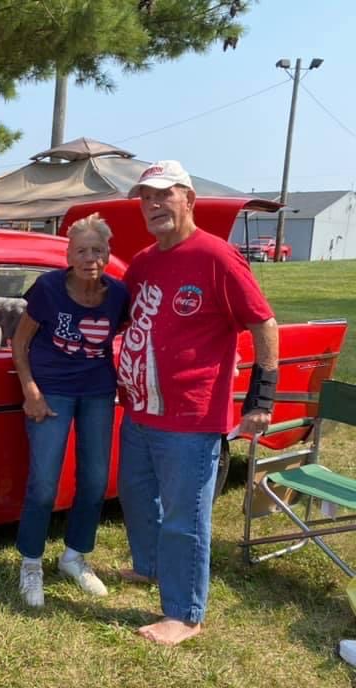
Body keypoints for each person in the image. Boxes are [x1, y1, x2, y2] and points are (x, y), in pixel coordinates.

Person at [117, 160, 278, 645]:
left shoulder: (218, 256)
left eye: (164, 195)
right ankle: (149, 568)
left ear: (188, 198)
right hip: (142, 409)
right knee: (135, 495)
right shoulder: (144, 261)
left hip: (191, 416)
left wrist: (261, 397)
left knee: (185, 515)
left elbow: (263, 324)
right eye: (146, 197)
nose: (153, 205)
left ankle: (185, 613)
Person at [11, 212, 129, 608]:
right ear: (69, 254)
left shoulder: (118, 295)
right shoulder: (48, 289)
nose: (90, 257)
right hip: (52, 392)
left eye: (97, 249)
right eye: (81, 250)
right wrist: (30, 391)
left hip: (98, 391)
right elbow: (20, 343)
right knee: (43, 483)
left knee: (95, 481)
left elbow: (137, 335)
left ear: (109, 253)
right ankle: (30, 563)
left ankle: (75, 557)